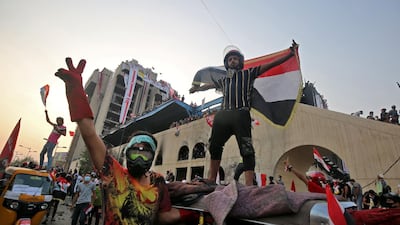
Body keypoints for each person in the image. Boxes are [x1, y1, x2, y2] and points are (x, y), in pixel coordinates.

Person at [55, 57, 196, 225]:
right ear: (126, 153)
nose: (139, 156)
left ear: (152, 156)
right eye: (134, 150)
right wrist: (76, 92)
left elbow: (164, 215)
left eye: (144, 152)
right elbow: (90, 134)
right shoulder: (114, 173)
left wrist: (197, 214)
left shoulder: (158, 181)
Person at [190, 42, 298, 186]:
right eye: (230, 59)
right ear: (227, 63)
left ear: (240, 62)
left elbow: (270, 65)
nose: (232, 61)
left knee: (247, 149)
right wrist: (197, 89)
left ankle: (249, 184)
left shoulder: (248, 73)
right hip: (223, 116)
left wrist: (289, 54)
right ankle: (211, 179)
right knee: (214, 145)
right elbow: (210, 85)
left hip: (241, 115)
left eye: (235, 58)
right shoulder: (224, 80)